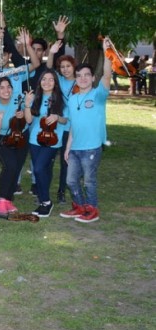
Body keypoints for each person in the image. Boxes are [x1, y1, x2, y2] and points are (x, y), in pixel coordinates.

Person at [60, 39, 114, 223]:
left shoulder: (98, 95)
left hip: (91, 148)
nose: (83, 78)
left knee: (89, 181)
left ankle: (92, 209)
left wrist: (107, 54)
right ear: (75, 78)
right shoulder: (73, 99)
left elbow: (107, 76)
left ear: (92, 78)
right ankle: (79, 206)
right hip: (75, 148)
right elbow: (73, 126)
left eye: (86, 75)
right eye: (79, 75)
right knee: (71, 180)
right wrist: (68, 147)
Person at [23, 69, 69, 217]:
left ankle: (46, 202)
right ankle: (43, 200)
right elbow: (29, 120)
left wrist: (57, 117)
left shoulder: (61, 98)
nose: (47, 82)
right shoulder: (36, 96)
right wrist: (27, 105)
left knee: (38, 169)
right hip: (35, 139)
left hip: (52, 140)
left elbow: (65, 119)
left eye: (51, 79)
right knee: (44, 170)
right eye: (44, 79)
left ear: (55, 82)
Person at [0, 77, 27, 214]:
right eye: (2, 88)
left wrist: (23, 115)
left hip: (20, 136)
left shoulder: (18, 99)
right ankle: (1, 199)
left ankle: (8, 200)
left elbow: (28, 120)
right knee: (10, 166)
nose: (6, 90)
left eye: (8, 86)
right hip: (1, 138)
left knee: (17, 168)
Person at [46, 39, 76, 203]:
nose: (65, 70)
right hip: (57, 126)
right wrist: (51, 52)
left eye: (68, 66)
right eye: (62, 67)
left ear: (73, 67)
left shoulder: (80, 81)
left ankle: (62, 191)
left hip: (72, 128)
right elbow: (49, 68)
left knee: (67, 161)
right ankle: (42, 188)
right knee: (50, 160)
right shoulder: (58, 80)